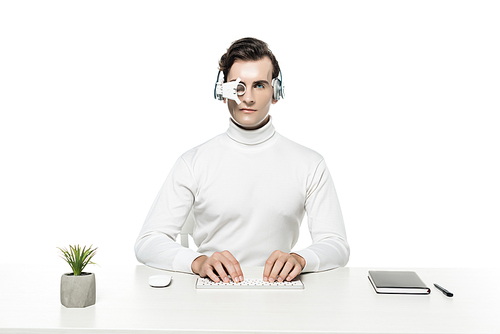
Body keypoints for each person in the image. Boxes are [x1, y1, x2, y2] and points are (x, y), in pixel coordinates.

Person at [135, 37, 349, 284]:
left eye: (259, 85)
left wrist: (301, 259)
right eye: (237, 86)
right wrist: (198, 262)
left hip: (279, 293)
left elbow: (337, 244)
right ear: (221, 92)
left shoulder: (310, 164)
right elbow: (148, 241)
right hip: (211, 291)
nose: (247, 98)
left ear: (276, 92)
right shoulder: (192, 162)